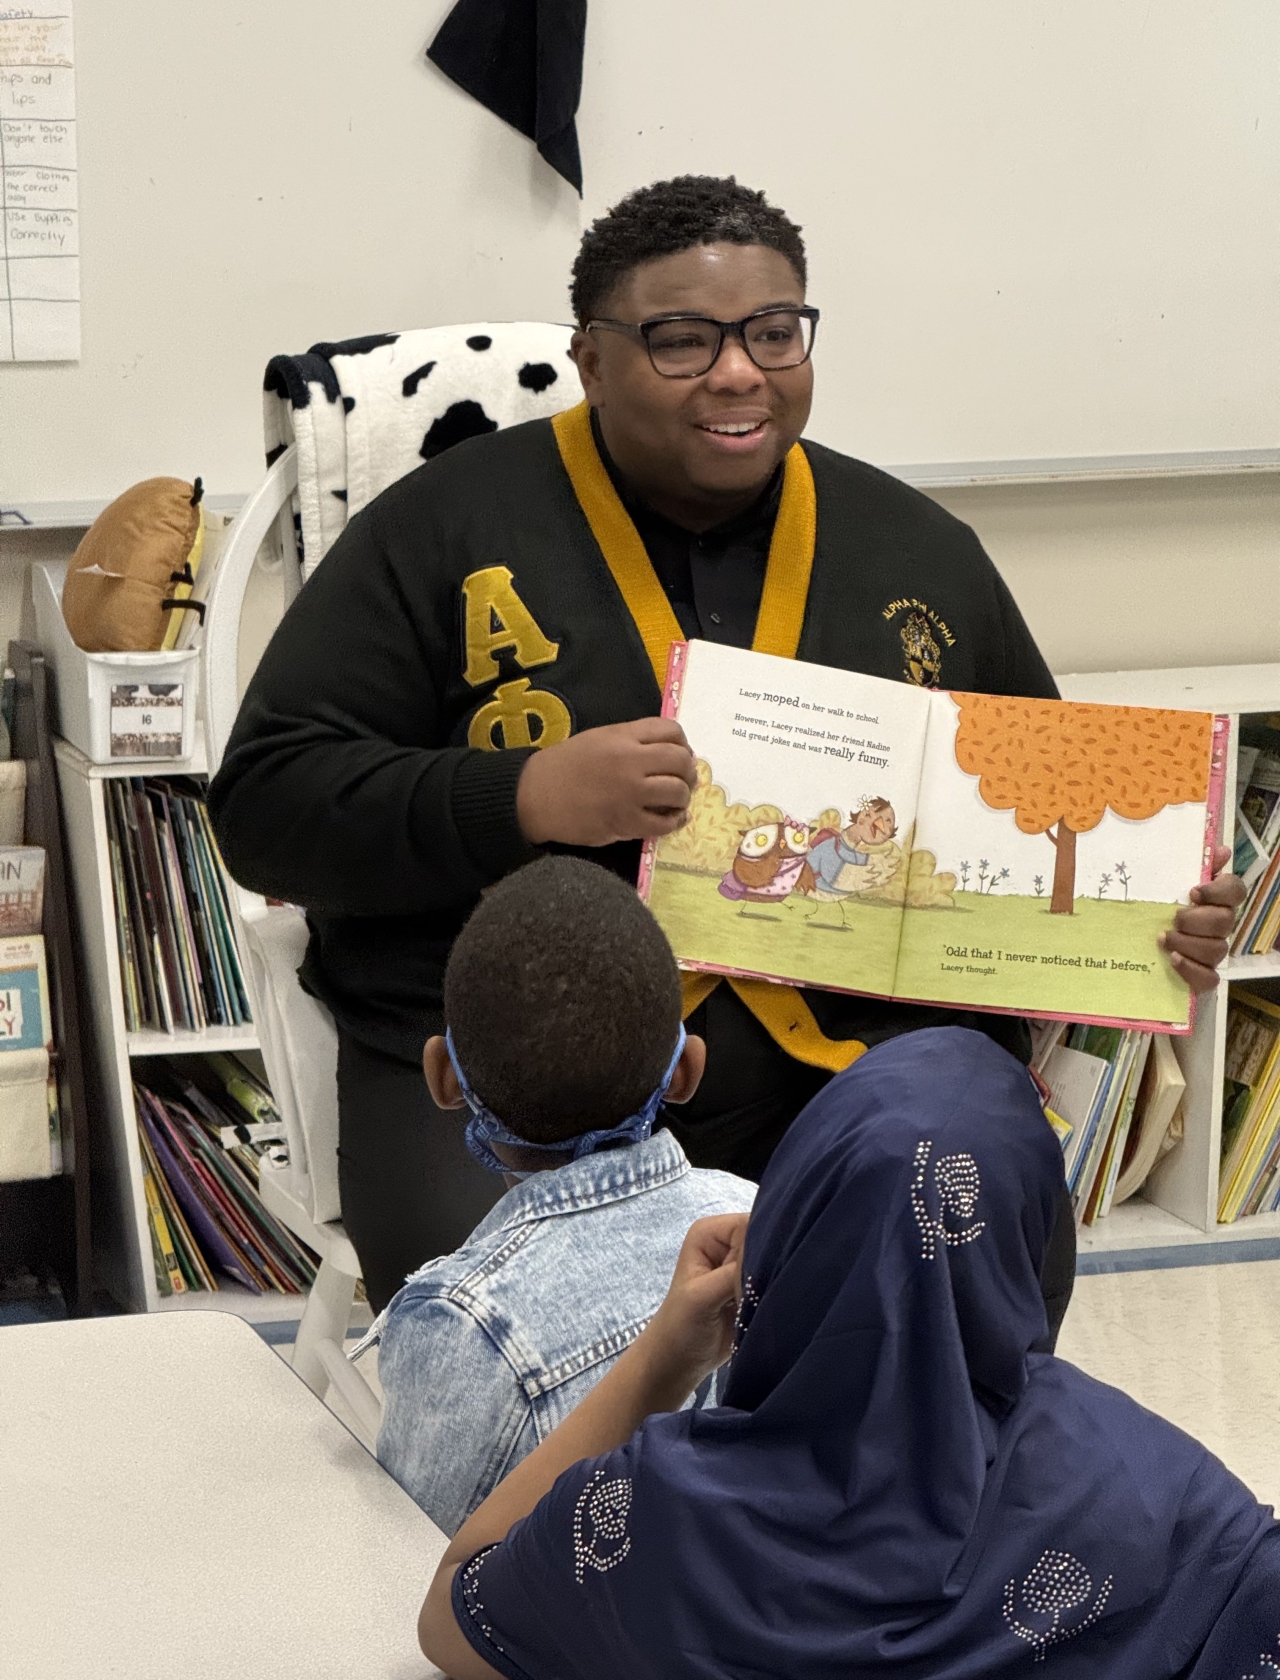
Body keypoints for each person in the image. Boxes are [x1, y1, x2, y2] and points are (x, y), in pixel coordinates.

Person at [207, 174, 1243, 1313]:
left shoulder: (918, 552)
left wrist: (1148, 918)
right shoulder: (439, 530)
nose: (739, 370)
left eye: (771, 331)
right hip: (513, 1076)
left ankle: (906, 1487)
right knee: (528, 1341)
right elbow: (265, 807)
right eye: (681, 341)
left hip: (844, 1072)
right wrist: (523, 796)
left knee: (960, 1241)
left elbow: (1045, 818)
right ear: (590, 360)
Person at [417, 1027, 1280, 1680]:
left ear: (785, 1232)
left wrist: (659, 1363)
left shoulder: (657, 1516)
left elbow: (455, 1607)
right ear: (1033, 1247)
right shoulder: (1152, 1490)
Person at [373, 856, 754, 1535]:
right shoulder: (761, 1218)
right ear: (687, 1071)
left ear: (443, 1078)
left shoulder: (467, 1324)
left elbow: (412, 1564)